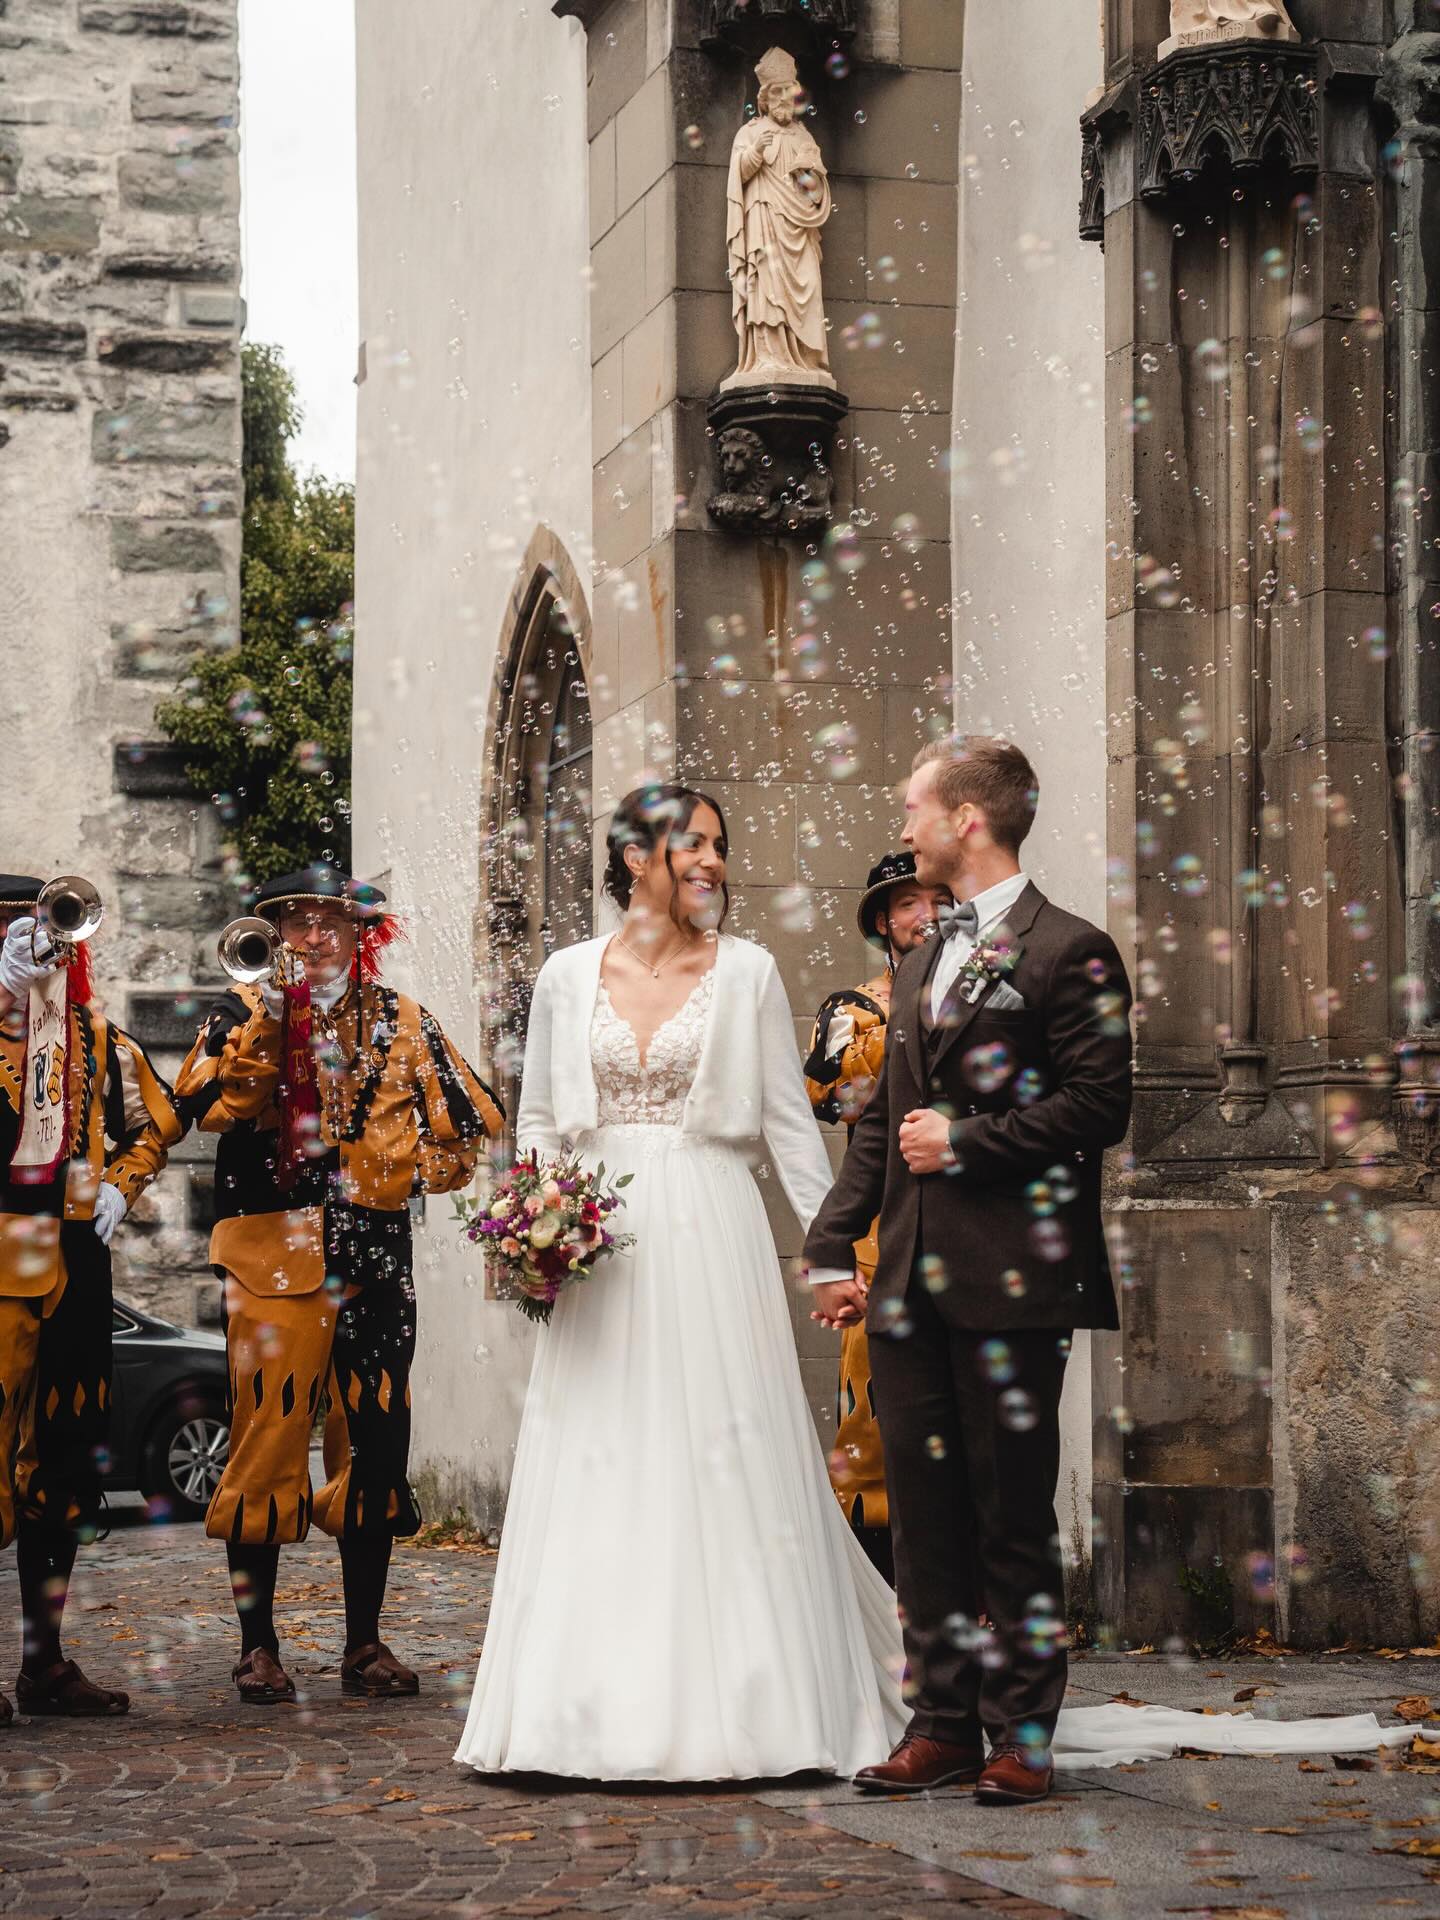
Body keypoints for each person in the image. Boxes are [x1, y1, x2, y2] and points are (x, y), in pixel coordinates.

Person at [455, 784, 905, 1782]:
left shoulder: (746, 972)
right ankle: (576, 1710)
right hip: (598, 1234)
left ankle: (758, 1706)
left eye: (719, 846)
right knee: (603, 1452)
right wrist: (531, 1219)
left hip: (711, 1226)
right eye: (691, 843)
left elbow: (790, 1122)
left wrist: (830, 1249)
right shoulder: (568, 975)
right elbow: (537, 1118)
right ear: (631, 855)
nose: (710, 861)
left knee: (720, 1448)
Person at [804, 738, 1134, 1805]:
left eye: (914, 809)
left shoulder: (1069, 950)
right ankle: (940, 1723)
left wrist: (971, 1141)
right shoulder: (921, 956)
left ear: (969, 821)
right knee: (925, 1518)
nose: (904, 829)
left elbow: (1099, 1106)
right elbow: (883, 1128)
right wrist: (828, 1242)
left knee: (1009, 1515)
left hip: (1012, 1286)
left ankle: (1022, 1734)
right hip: (906, 1289)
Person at [174, 864, 505, 1707]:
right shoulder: (239, 1011)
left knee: (376, 1441)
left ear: (363, 936)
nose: (314, 937)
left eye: (332, 922)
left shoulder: (402, 1021)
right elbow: (197, 1107)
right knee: (266, 1440)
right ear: (273, 936)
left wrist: (409, 1170)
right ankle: (258, 1649)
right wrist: (264, 1025)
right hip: (271, 1251)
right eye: (296, 923)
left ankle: (363, 1643)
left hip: (375, 1254)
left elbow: (475, 1118)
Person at [0, 873, 181, 1721]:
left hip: (72, 1260)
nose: (34, 942)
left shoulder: (95, 1037)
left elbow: (159, 1121)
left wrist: (123, 1183)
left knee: (68, 1457)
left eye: (44, 925)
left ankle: (44, 1662)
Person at [804, 853, 951, 1583]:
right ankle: (882, 1587)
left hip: (966, 1229)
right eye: (906, 905)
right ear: (883, 923)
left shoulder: (984, 994)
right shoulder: (853, 1008)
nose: (923, 913)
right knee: (873, 1420)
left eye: (936, 899)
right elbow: (834, 1097)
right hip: (879, 1238)